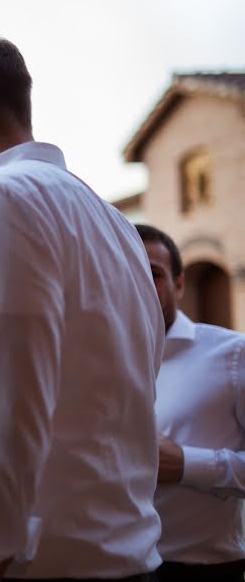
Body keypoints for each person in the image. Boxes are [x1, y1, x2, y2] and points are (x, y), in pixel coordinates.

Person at [0, 32, 164, 581]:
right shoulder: (111, 222)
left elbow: (1, 413)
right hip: (119, 558)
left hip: (34, 569)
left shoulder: (1, 198)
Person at [135, 224, 245, 582]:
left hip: (203, 572)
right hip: (116, 569)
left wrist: (186, 464)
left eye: (152, 273)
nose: (136, 284)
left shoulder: (233, 354)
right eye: (124, 271)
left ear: (179, 284)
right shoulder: (91, 362)